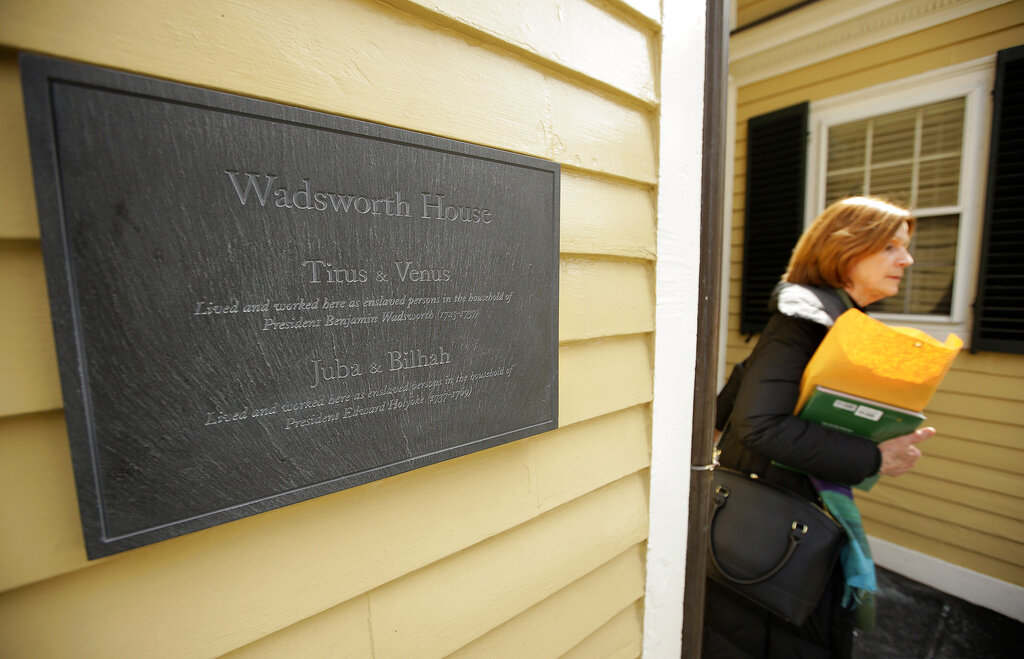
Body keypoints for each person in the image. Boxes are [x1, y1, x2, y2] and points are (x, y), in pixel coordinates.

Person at [703, 196, 935, 659]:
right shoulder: (804, 319)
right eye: (891, 246)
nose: (906, 259)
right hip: (778, 526)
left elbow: (735, 396)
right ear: (846, 249)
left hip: (788, 517)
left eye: (904, 248)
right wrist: (875, 458)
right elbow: (760, 425)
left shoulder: (837, 319)